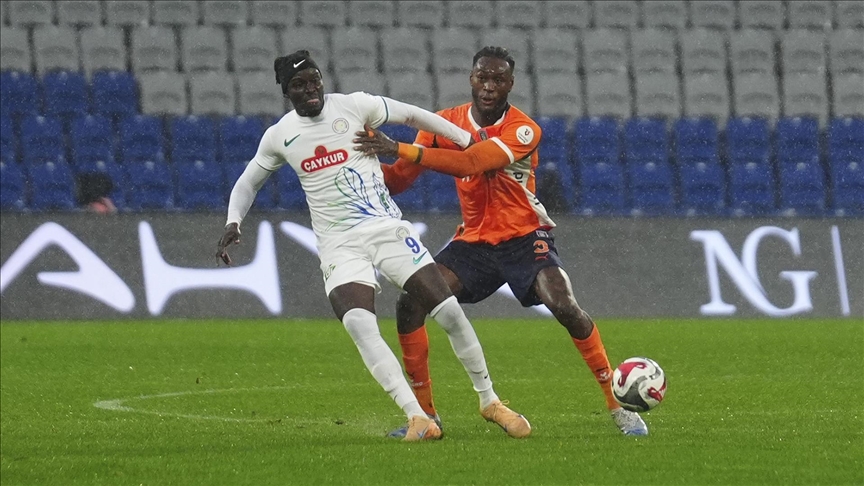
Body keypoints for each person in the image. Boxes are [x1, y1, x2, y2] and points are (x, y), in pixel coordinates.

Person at [216, 50, 531, 442]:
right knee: (359, 324)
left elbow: (413, 115)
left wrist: (466, 139)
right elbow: (248, 182)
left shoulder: (354, 105)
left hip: (385, 228)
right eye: (299, 85)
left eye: (314, 80)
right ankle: (418, 417)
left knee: (447, 310)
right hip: (338, 244)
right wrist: (233, 221)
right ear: (286, 92)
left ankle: (490, 401)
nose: (310, 89)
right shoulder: (280, 136)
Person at [354, 46, 649, 436]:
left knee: (563, 305)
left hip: (525, 236)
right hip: (474, 243)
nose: (489, 86)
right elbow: (397, 180)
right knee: (411, 302)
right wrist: (356, 159)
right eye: (483, 78)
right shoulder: (443, 125)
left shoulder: (524, 129)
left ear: (511, 84)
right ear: (471, 79)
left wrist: (398, 146)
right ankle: (426, 417)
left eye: (498, 79)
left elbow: (472, 162)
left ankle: (618, 407)